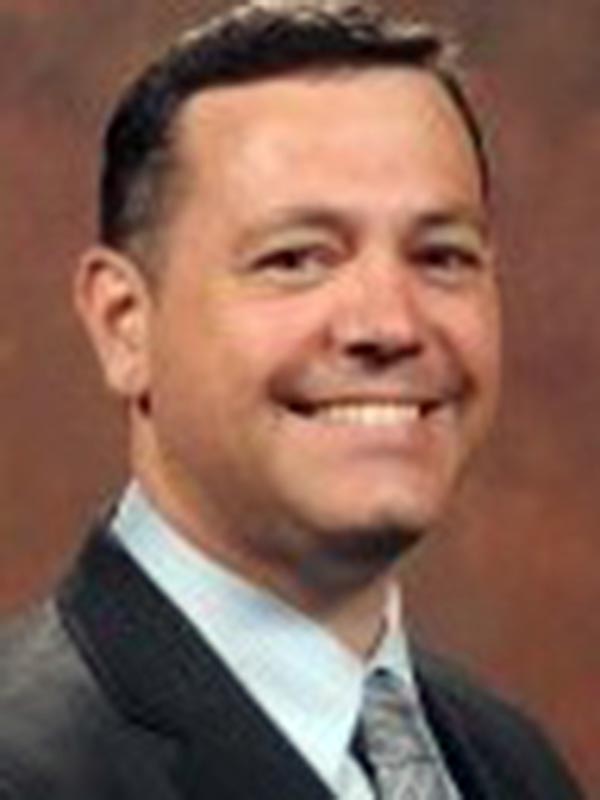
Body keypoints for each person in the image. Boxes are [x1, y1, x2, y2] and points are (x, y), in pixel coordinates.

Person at [0, 1, 583, 798]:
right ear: (124, 324)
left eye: (441, 256)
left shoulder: (514, 762)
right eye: (297, 259)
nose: (389, 324)